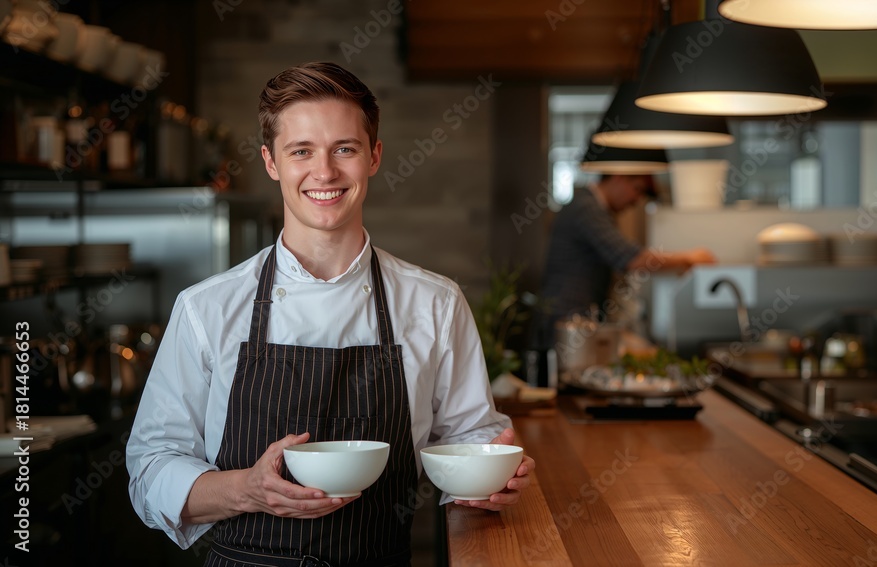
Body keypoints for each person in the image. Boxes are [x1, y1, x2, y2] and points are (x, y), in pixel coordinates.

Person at [126, 62, 534, 566]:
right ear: (272, 163)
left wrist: (488, 481)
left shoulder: (436, 303)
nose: (325, 172)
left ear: (374, 157)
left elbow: (469, 439)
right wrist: (247, 490)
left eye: (345, 148)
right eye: (301, 151)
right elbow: (149, 473)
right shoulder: (205, 308)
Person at [537, 173, 716, 350]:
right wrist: (689, 258)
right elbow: (631, 259)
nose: (636, 200)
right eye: (637, 189)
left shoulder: (593, 206)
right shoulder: (587, 208)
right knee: (560, 377)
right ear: (618, 177)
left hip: (574, 322)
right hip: (566, 322)